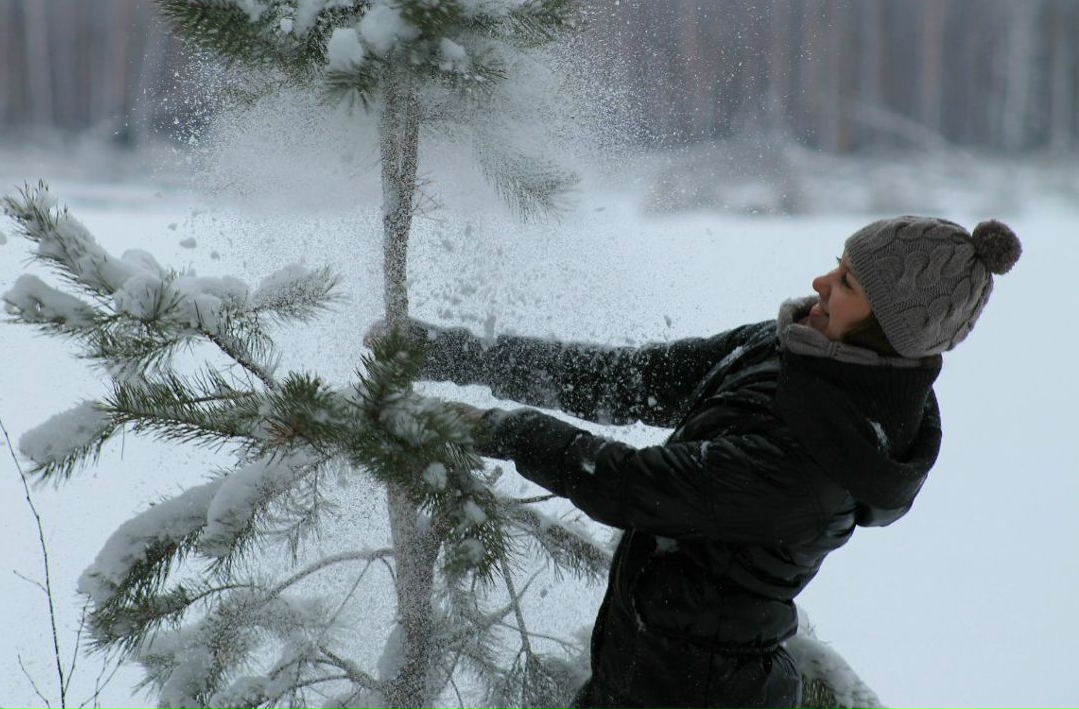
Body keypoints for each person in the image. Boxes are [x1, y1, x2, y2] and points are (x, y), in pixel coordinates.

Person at [401, 216, 1021, 709]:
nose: (820, 284)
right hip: (639, 677)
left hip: (693, 693)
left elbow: (630, 485)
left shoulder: (817, 467)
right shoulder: (794, 348)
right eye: (839, 263)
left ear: (886, 328)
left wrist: (495, 429)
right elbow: (629, 379)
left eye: (847, 284)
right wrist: (452, 353)